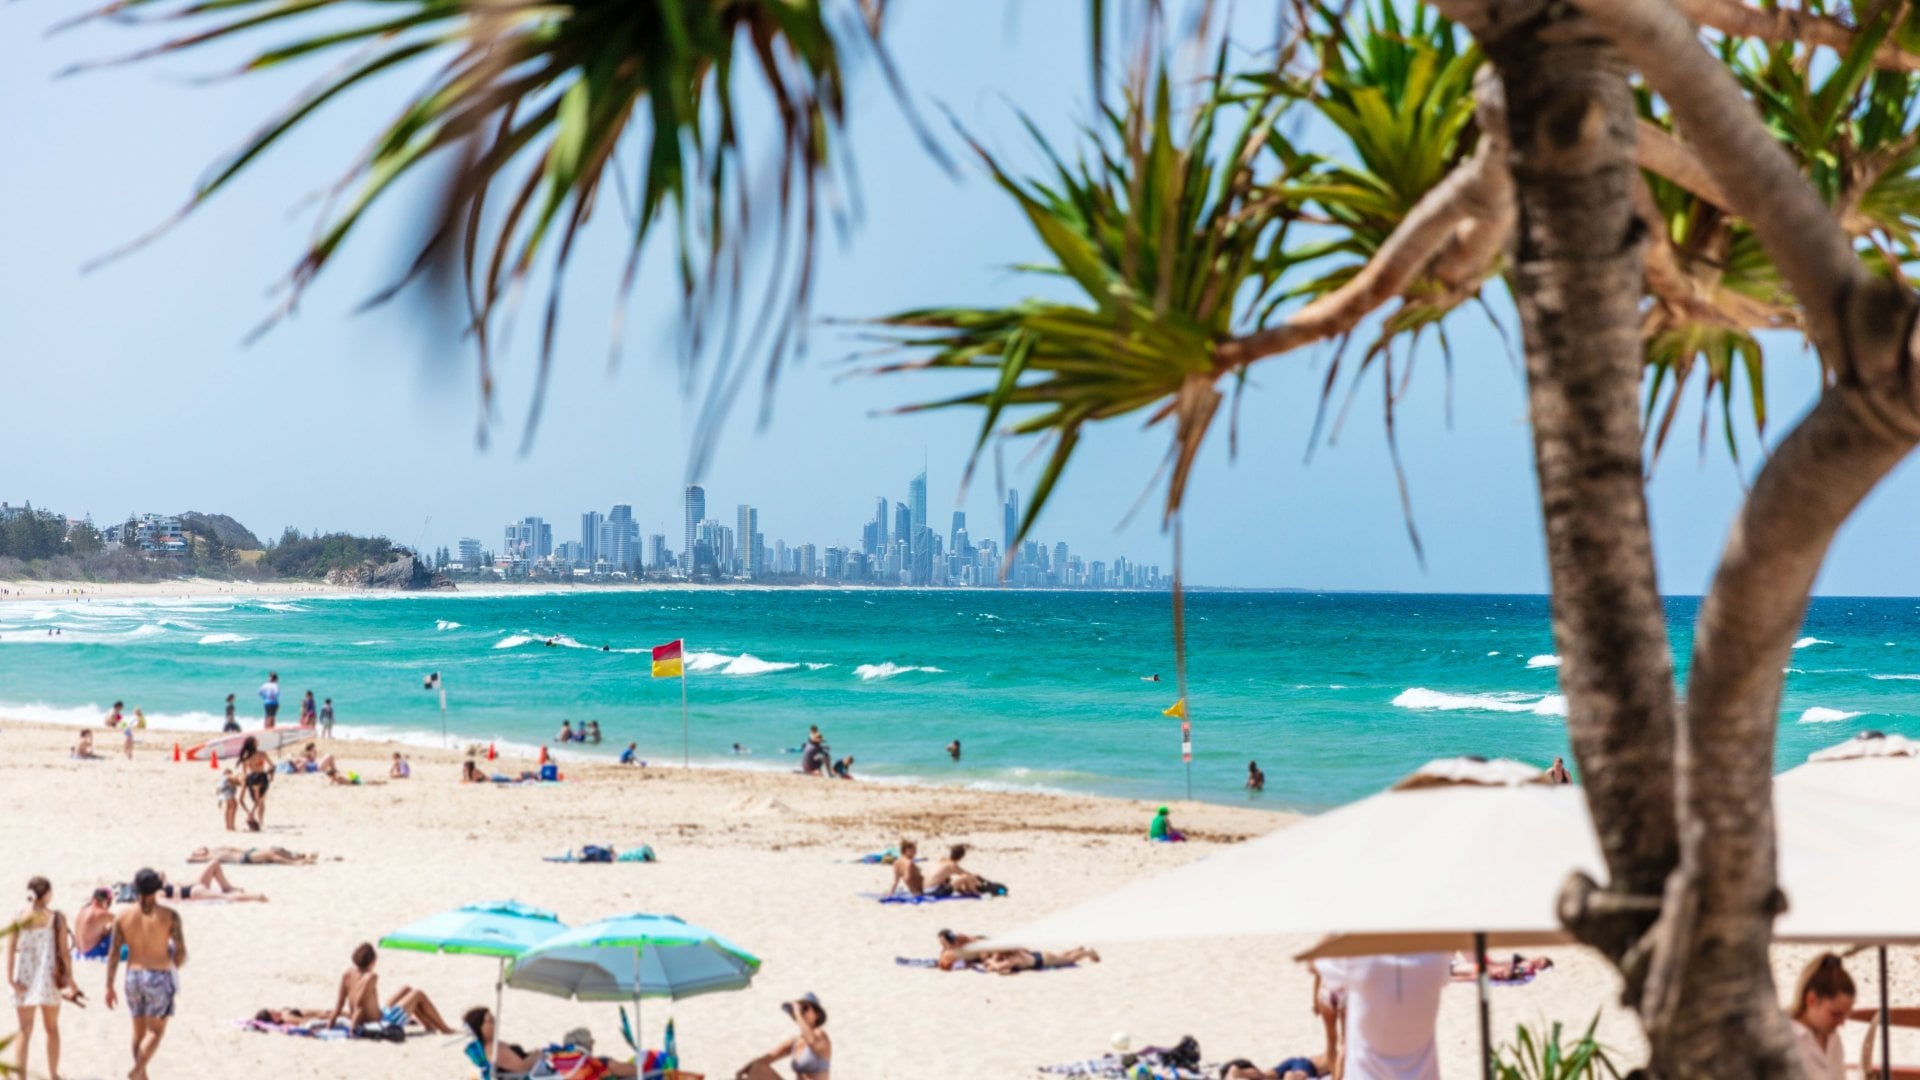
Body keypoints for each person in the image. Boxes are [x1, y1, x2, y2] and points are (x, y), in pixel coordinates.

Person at [1312, 952, 1450, 1080]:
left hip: (1327, 992)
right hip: (1422, 1074)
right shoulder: (1433, 960)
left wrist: (1314, 999)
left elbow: (1316, 967)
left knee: (1331, 1041)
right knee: (1344, 1044)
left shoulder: (1359, 961)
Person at [106, 868, 187, 1080]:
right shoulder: (170, 916)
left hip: (133, 974)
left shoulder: (122, 916)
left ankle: (141, 1076)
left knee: (138, 1033)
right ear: (156, 890)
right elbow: (180, 952)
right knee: (156, 1033)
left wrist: (109, 986)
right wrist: (174, 965)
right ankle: (136, 1072)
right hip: (158, 974)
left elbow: (113, 954)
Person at [10, 876, 80, 1080]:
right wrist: (70, 979)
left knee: (24, 1029)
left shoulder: (18, 916)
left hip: (23, 976)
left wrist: (9, 979)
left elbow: (10, 950)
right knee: (51, 1029)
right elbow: (64, 953)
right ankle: (53, 1074)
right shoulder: (56, 917)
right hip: (47, 977)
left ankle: (20, 1077)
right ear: (47, 894)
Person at [327, 942, 454, 1034]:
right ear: (373, 961)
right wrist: (352, 1029)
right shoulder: (371, 977)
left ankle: (428, 1025)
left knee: (406, 989)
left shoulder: (347, 974)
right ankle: (445, 1029)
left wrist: (330, 1025)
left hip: (378, 1013)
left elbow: (339, 1004)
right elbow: (360, 1005)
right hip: (382, 1020)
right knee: (417, 993)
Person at [735, 992, 832, 1080]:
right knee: (758, 1066)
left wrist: (798, 1014)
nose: (801, 1012)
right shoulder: (795, 1041)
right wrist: (742, 1071)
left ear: (817, 1014)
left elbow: (811, 1041)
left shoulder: (820, 1035)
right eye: (800, 1008)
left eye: (805, 1008)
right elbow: (766, 1058)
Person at [1789, 952, 1855, 1080]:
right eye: (1835, 1014)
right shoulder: (1788, 1040)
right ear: (1811, 1000)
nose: (1842, 1023)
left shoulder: (1833, 1039)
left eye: (1845, 1016)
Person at [145, 864, 269, 903]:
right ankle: (255, 896)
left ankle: (228, 888)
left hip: (194, 890)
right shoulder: (161, 887)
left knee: (227, 897)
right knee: (227, 898)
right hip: (194, 889)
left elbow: (161, 873)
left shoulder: (160, 888)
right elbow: (162, 873)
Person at [979, 945, 1101, 975]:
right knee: (1060, 956)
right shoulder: (1015, 952)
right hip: (1039, 955)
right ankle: (1077, 949)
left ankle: (1087, 953)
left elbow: (1000, 967)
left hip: (1043, 960)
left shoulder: (1014, 959)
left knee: (1068, 960)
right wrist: (991, 962)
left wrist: (991, 963)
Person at [239, 736, 273, 830]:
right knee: (261, 800)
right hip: (262, 776)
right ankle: (260, 820)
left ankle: (253, 816)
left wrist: (245, 780)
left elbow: (244, 771)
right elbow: (271, 765)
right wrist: (270, 773)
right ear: (253, 744)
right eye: (256, 741)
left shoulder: (246, 756)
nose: (258, 742)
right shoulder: (262, 754)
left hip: (251, 778)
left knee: (256, 800)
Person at [187, 845, 317, 866]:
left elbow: (234, 847)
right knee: (270, 854)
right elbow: (189, 859)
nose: (200, 849)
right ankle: (294, 863)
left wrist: (252, 849)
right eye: (197, 851)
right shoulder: (207, 858)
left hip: (247, 853)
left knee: (274, 849)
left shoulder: (216, 849)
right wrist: (195, 856)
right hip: (244, 859)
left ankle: (298, 858)